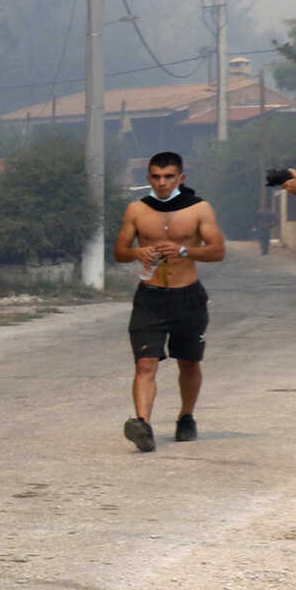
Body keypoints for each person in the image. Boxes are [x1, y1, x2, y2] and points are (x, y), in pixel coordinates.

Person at [112, 150, 225, 452]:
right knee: (146, 363)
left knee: (189, 363)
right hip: (150, 296)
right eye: (156, 177)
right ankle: (142, 424)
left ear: (180, 178)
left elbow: (217, 251)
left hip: (188, 295)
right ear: (148, 177)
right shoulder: (137, 210)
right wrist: (138, 252)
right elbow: (120, 252)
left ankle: (186, 416)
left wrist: (185, 251)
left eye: (168, 177)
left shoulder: (199, 209)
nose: (162, 183)